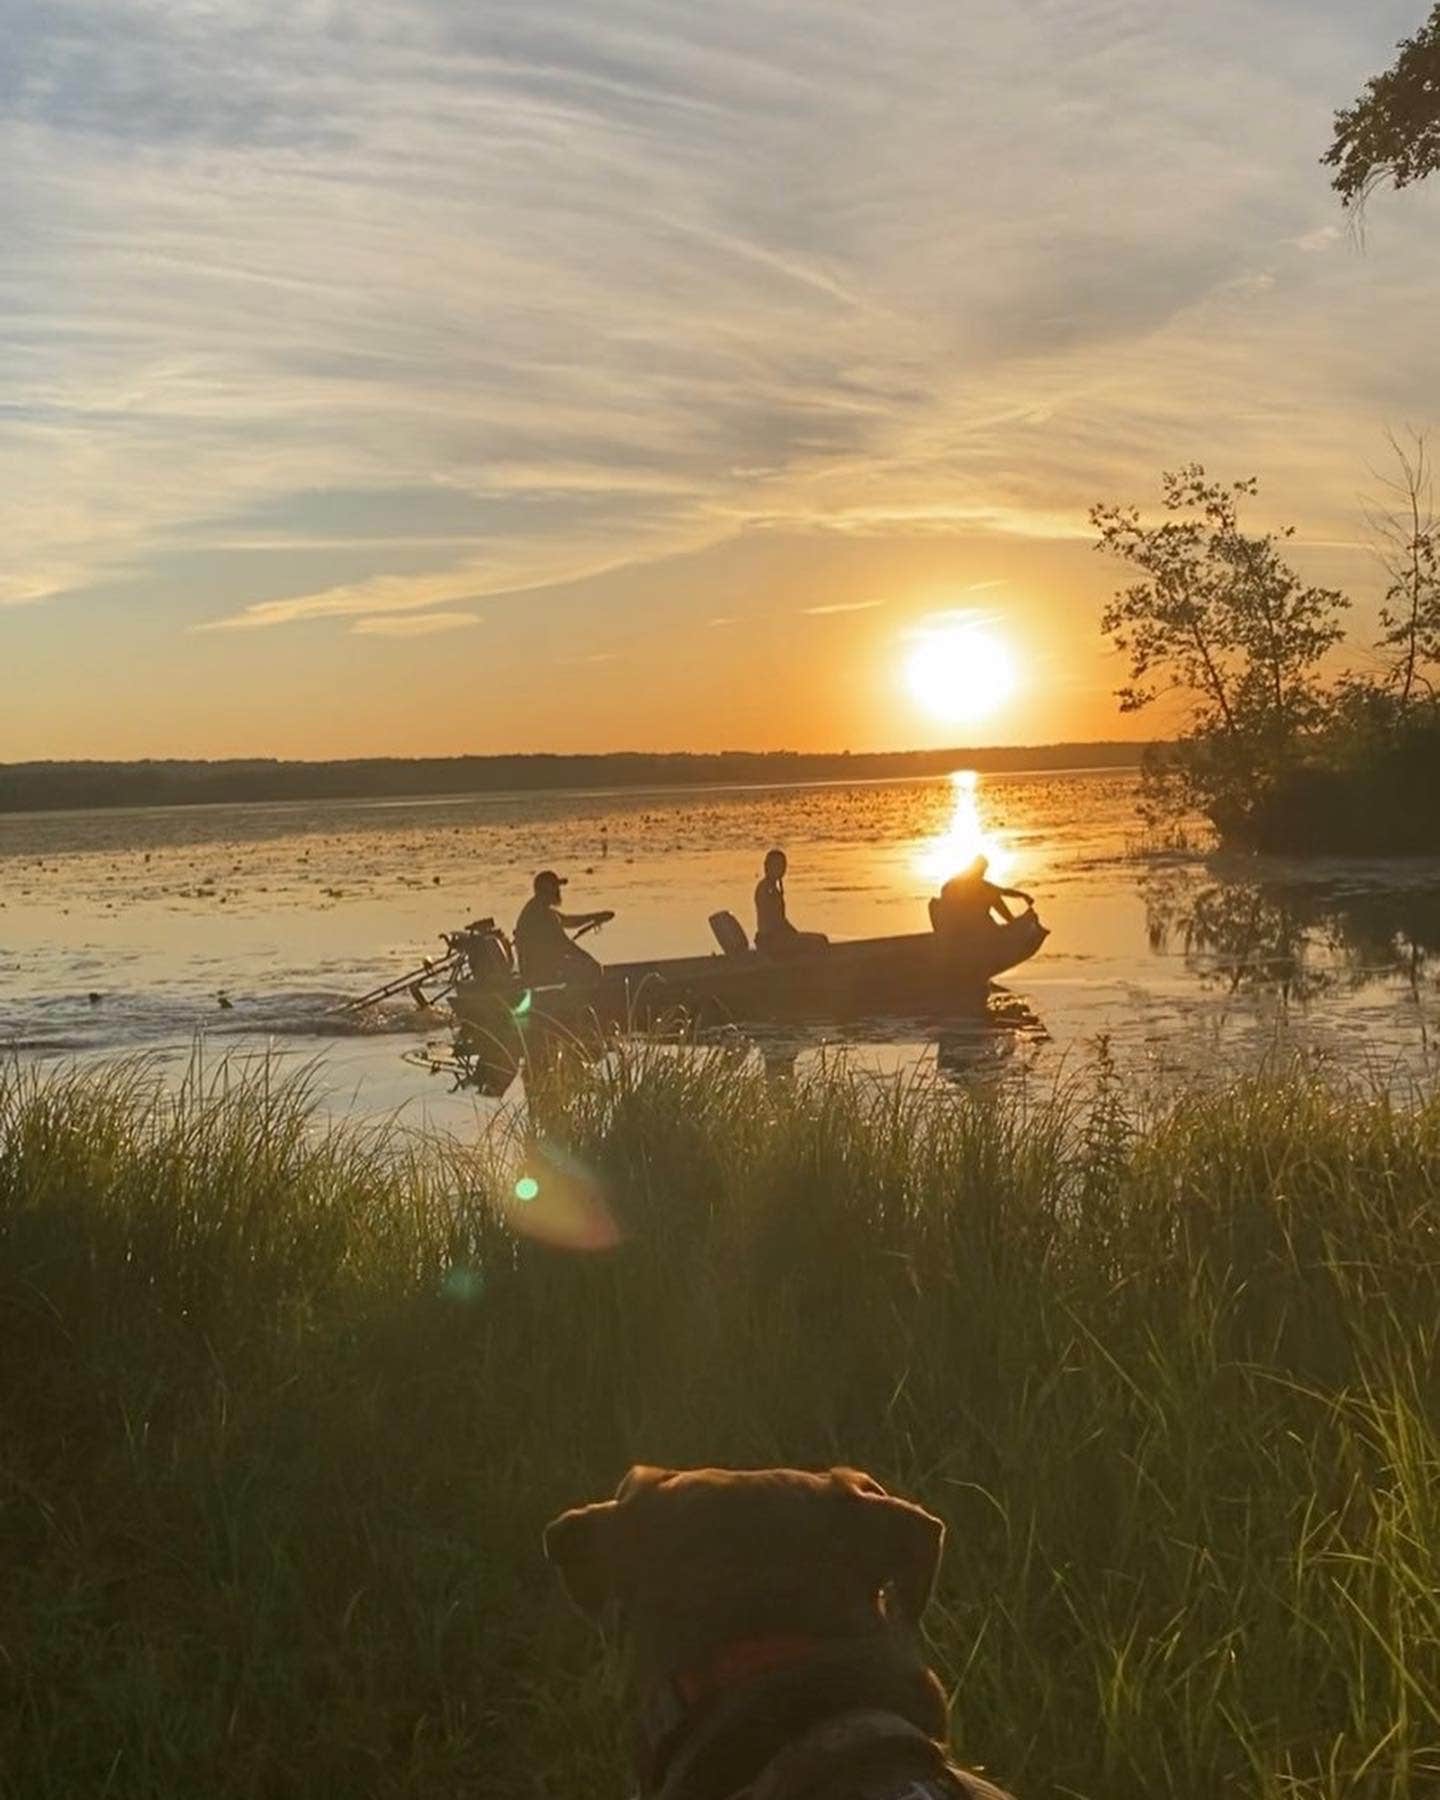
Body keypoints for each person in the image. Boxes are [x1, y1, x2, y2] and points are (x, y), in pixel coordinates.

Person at [514, 871, 614, 985]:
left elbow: (568, 920)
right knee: (590, 970)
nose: (559, 891)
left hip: (540, 967)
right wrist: (590, 961)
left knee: (581, 966)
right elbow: (564, 944)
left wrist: (596, 917)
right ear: (548, 890)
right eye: (556, 887)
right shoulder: (542, 914)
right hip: (540, 972)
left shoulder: (537, 907)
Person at [929, 855, 1033, 942]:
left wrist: (1023, 896)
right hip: (963, 927)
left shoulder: (965, 881)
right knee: (994, 897)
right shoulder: (963, 882)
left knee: (993, 895)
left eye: (984, 870)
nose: (983, 873)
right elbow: (1002, 892)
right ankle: (1012, 925)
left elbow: (1003, 891)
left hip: (962, 925)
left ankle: (1012, 923)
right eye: (983, 870)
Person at [753, 848, 828, 956]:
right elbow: (773, 921)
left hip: (778, 939)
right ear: (767, 866)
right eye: (777, 865)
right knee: (820, 942)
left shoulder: (773, 888)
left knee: (820, 940)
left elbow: (781, 920)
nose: (781, 869)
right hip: (772, 942)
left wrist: (794, 934)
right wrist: (792, 936)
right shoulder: (766, 889)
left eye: (783, 865)